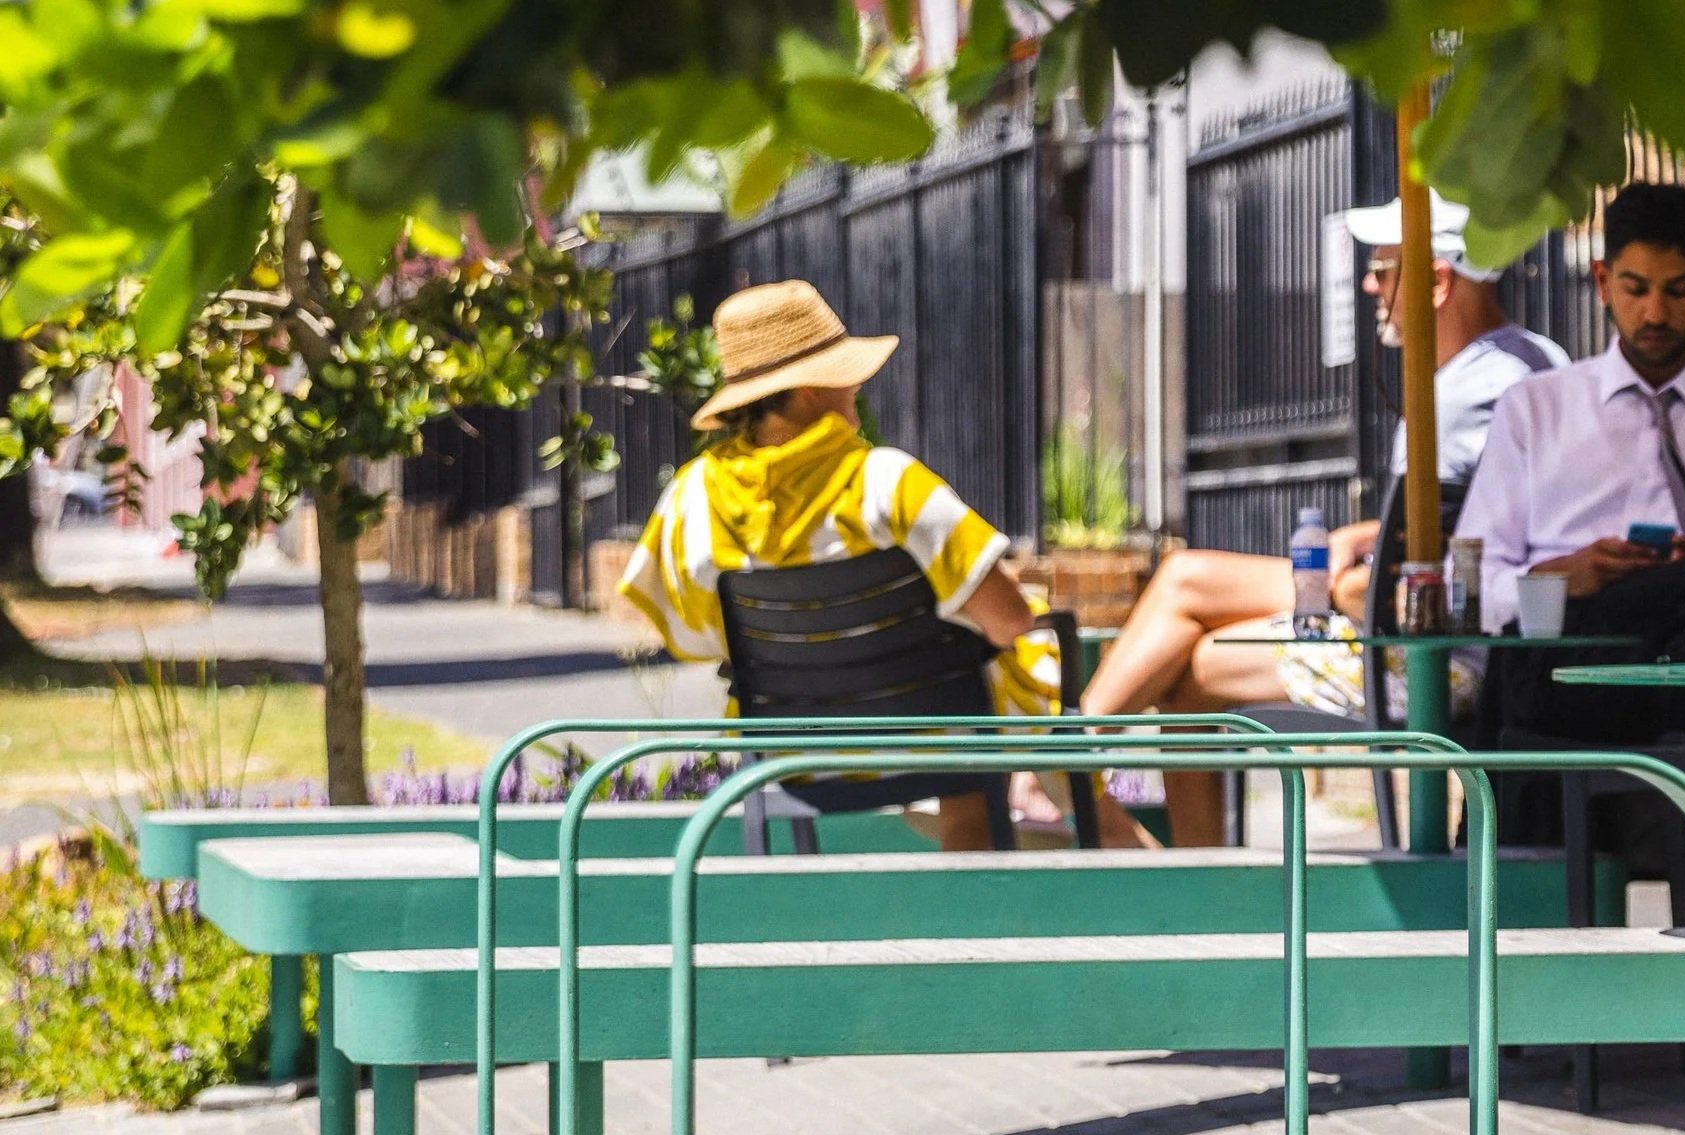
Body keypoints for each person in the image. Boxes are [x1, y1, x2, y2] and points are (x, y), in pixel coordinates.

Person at [1079, 195, 1564, 839]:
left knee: (1189, 600)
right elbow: (1469, 517)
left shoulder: (1458, 396)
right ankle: (1162, 839)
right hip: (1471, 636)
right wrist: (1362, 536)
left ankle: (1061, 761)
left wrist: (1346, 585)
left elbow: (1432, 567)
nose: (1370, 284)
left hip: (1439, 655)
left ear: (1437, 283)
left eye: (1384, 270)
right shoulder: (1537, 362)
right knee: (1191, 641)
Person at [617, 280, 1063, 850]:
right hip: (935, 737)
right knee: (993, 676)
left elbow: (692, 639)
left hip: (795, 750)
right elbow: (1011, 621)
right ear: (808, 392)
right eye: (845, 373)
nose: (858, 386)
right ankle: (1065, 837)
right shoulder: (887, 482)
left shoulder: (690, 502)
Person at [1456, 180, 1685, 746]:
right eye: (1636, 288)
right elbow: (1472, 589)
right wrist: (1560, 579)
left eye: (1677, 290)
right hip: (1568, 660)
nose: (1655, 312)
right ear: (1603, 282)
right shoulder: (1534, 410)